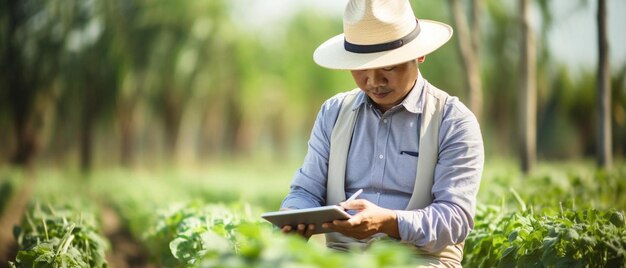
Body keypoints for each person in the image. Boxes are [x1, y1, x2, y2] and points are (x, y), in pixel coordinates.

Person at [280, 0, 484, 266]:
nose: (374, 81)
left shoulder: (453, 121)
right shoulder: (333, 113)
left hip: (422, 260)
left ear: (419, 55)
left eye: (388, 66)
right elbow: (306, 190)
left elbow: (455, 218)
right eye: (361, 67)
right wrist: (294, 214)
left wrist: (389, 222)